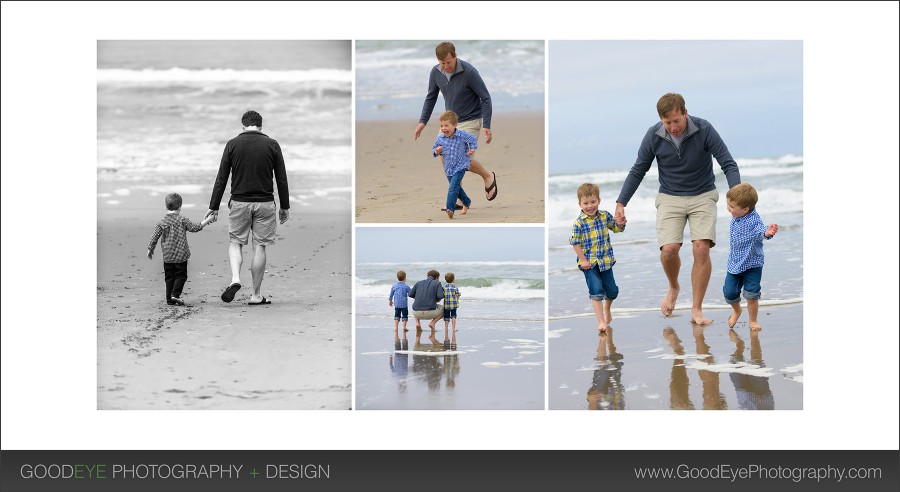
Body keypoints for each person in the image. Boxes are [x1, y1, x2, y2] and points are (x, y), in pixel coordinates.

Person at [615, 93, 741, 324]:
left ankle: (696, 309)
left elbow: (728, 164)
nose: (672, 127)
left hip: (703, 194)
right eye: (667, 123)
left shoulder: (704, 129)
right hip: (670, 196)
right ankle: (673, 287)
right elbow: (638, 170)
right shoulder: (653, 135)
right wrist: (621, 202)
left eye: (676, 121)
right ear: (660, 120)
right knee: (669, 250)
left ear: (685, 113)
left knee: (701, 248)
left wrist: (737, 195)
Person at [206, 110, 290, 305]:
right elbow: (281, 179)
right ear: (261, 126)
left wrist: (214, 206)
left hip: (239, 203)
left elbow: (222, 178)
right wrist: (284, 206)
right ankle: (256, 295)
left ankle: (235, 278)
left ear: (243, 125)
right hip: (265, 203)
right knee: (260, 246)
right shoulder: (272, 144)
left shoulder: (232, 144)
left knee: (236, 242)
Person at [413, 41, 499, 202]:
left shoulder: (469, 72)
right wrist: (422, 122)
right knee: (445, 155)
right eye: (442, 63)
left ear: (455, 56)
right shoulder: (436, 72)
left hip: (471, 119)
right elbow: (431, 97)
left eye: (448, 62)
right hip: (450, 122)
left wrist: (486, 125)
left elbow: (486, 98)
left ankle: (487, 176)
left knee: (461, 158)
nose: (445, 66)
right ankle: (459, 195)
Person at [570, 183, 626, 332]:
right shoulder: (578, 223)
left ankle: (607, 308)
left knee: (612, 291)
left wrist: (621, 223)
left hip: (605, 260)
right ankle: (601, 321)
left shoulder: (604, 216)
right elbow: (575, 243)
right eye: (586, 203)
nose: (590, 206)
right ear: (580, 204)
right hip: (588, 263)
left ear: (599, 201)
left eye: (593, 202)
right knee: (596, 291)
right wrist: (583, 260)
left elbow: (616, 228)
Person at [723, 183, 778, 331]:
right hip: (735, 263)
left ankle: (753, 320)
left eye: (732, 206)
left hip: (752, 264)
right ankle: (737, 310)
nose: (729, 208)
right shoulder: (738, 213)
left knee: (752, 295)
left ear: (746, 209)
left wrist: (768, 232)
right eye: (728, 204)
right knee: (729, 292)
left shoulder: (753, 220)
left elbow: (761, 231)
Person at [147, 193, 216, 306]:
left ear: (166, 207)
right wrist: (209, 219)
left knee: (169, 277)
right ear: (180, 207)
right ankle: (175, 294)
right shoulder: (182, 219)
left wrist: (150, 249)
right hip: (181, 255)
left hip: (168, 256)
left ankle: (169, 299)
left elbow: (154, 237)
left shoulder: (162, 222)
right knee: (181, 276)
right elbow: (195, 227)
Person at [432, 111, 477, 218]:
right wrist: (436, 151)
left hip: (460, 166)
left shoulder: (462, 135)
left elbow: (472, 139)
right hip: (448, 168)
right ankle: (467, 201)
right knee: (457, 188)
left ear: (455, 125)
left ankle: (450, 208)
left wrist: (472, 148)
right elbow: (434, 150)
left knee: (452, 188)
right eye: (441, 126)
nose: (443, 128)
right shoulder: (440, 138)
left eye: (446, 125)